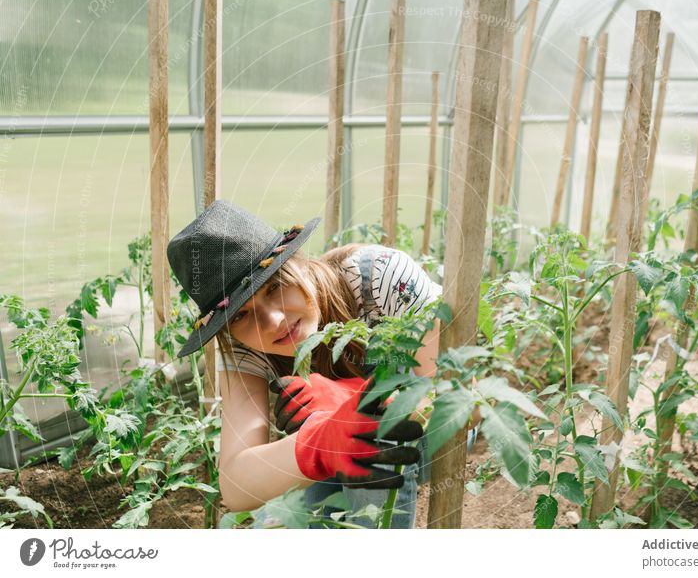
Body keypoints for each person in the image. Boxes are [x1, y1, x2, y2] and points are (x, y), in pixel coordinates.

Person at [166, 199, 479, 528]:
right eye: (241, 314)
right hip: (341, 454)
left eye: (274, 287)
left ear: (298, 260)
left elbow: (464, 404)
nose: (272, 321)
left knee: (371, 434)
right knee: (278, 522)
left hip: (437, 435)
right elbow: (236, 485)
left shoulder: (380, 277)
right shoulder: (244, 349)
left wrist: (350, 400)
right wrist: (319, 442)